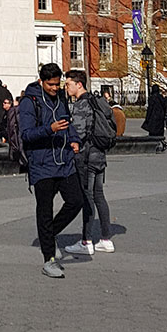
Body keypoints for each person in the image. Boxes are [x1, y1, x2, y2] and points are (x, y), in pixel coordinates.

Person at [18, 62, 83, 279]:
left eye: (58, 84)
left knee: (76, 200)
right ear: (41, 81)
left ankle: (50, 234)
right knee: (44, 210)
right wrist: (49, 129)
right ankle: (49, 259)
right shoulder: (30, 102)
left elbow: (68, 123)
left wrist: (73, 140)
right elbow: (26, 134)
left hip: (64, 160)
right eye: (51, 85)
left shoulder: (61, 97)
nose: (55, 88)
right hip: (41, 164)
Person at [62, 71, 115, 257]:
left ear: (79, 84)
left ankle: (86, 240)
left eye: (68, 83)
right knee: (99, 195)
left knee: (87, 197)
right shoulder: (97, 101)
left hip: (86, 156)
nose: (66, 87)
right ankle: (106, 239)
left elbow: (78, 132)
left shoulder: (81, 104)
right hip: (100, 154)